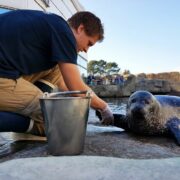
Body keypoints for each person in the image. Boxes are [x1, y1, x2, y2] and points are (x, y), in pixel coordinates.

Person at [0, 9, 114, 136]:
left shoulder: (52, 24)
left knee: (56, 68)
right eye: (89, 44)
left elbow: (66, 84)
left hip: (7, 70)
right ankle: (34, 124)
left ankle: (30, 109)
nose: (86, 50)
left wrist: (79, 107)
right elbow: (76, 87)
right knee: (51, 114)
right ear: (80, 29)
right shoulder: (64, 33)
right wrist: (103, 107)